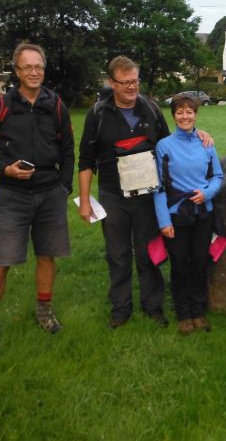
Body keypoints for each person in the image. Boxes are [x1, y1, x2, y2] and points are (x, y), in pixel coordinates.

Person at [0, 43, 74, 352]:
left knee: (47, 254)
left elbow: (68, 150)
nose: (33, 72)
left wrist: (64, 187)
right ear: (16, 71)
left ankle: (44, 311)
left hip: (49, 193)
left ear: (44, 69)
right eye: (27, 66)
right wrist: (5, 170)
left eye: (38, 66)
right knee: (0, 261)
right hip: (10, 194)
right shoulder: (0, 105)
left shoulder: (56, 105)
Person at [77, 55, 171, 329]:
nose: (132, 87)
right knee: (117, 254)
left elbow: (168, 150)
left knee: (148, 252)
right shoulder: (97, 114)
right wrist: (85, 201)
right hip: (113, 196)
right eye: (125, 82)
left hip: (147, 196)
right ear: (111, 82)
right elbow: (86, 161)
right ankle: (120, 309)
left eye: (135, 81)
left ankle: (153, 306)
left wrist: (199, 135)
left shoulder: (152, 110)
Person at [154, 94, 223, 335]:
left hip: (203, 212)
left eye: (189, 112)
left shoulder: (207, 143)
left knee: (200, 262)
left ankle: (199, 311)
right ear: (173, 116)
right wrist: (164, 221)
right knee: (180, 265)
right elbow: (159, 187)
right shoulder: (164, 146)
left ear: (196, 114)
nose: (185, 116)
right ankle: (183, 313)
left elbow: (218, 177)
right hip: (176, 215)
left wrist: (207, 194)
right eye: (180, 112)